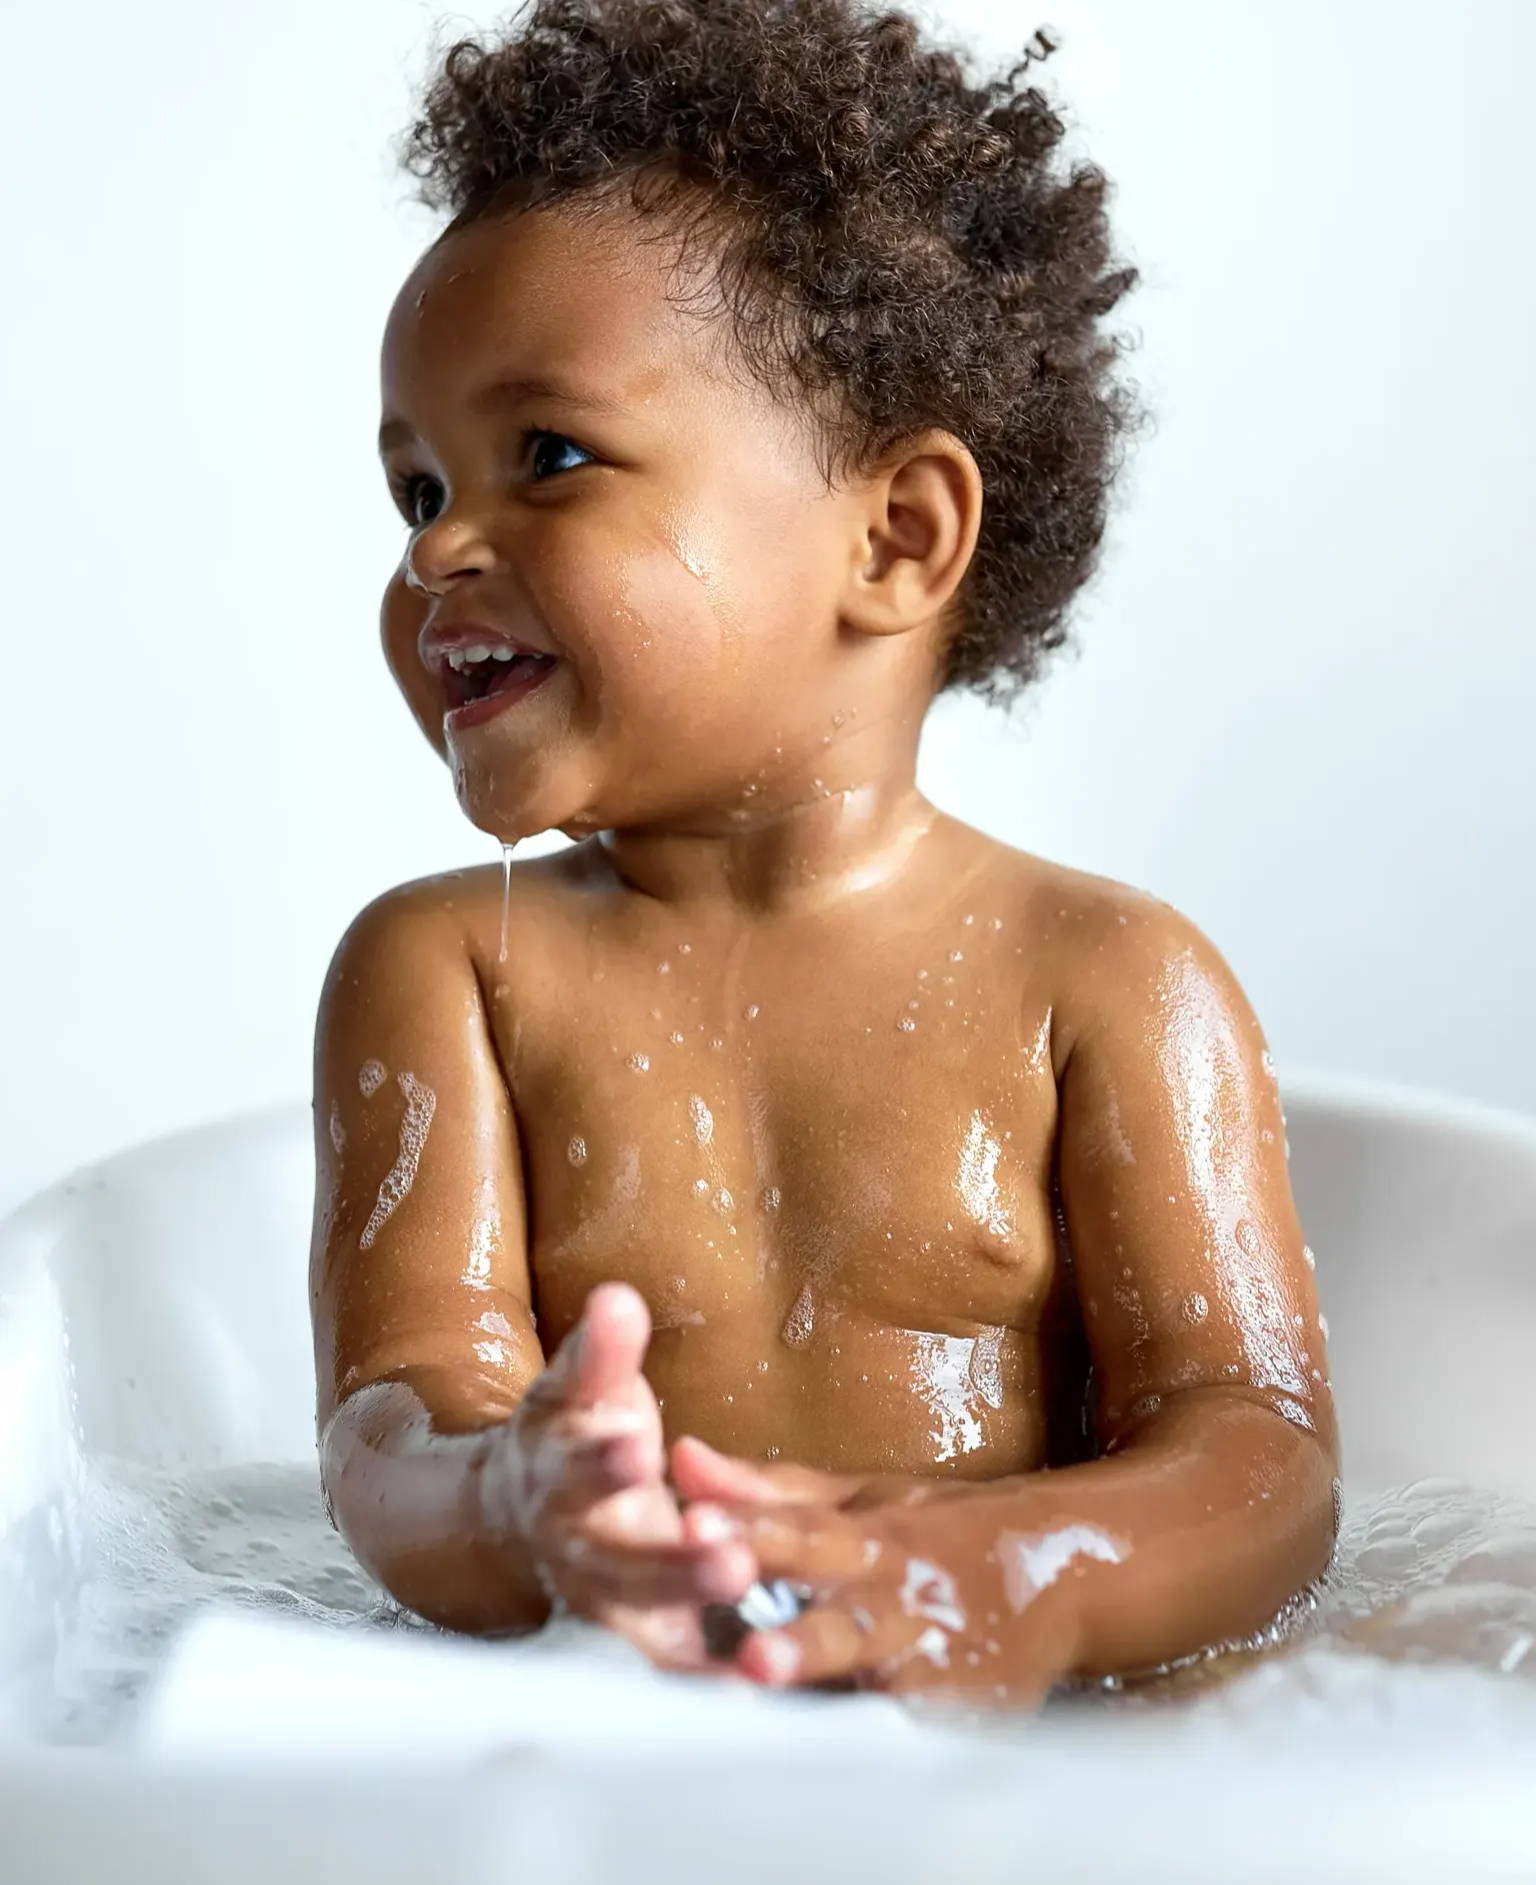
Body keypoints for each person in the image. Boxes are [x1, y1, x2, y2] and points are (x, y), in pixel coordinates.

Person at [310, 0, 1340, 1706]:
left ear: (895, 535)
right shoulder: (451, 972)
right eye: (417, 490)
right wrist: (515, 1498)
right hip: (598, 1745)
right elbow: (391, 1415)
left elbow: (1262, 1448)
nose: (443, 552)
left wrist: (1024, 1572)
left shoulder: (1106, 981)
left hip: (1026, 1772)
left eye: (544, 457)